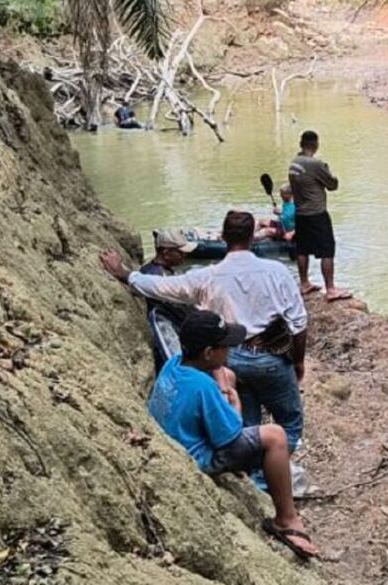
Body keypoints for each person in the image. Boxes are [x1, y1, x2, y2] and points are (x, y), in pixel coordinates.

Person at [100, 210, 308, 453]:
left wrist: (125, 273)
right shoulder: (277, 272)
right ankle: (278, 469)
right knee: (290, 425)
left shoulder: (207, 277)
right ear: (252, 238)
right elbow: (298, 322)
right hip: (269, 357)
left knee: (248, 423)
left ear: (223, 237)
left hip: (230, 357)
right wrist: (298, 361)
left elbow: (160, 286)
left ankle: (258, 478)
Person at [148, 310, 317, 559]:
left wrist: (225, 385)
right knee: (276, 436)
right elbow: (227, 436)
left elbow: (219, 373)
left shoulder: (174, 363)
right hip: (199, 457)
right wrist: (234, 404)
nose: (229, 351)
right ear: (208, 353)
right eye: (225, 347)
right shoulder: (202, 387)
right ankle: (286, 519)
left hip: (174, 436)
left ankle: (247, 467)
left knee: (227, 375)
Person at [288, 130, 351, 302]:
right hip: (316, 213)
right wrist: (329, 171)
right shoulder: (316, 164)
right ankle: (330, 289)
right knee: (327, 250)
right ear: (315, 144)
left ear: (301, 144)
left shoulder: (294, 163)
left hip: (300, 213)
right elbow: (333, 185)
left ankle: (304, 283)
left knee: (302, 249)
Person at [140, 230, 197, 372]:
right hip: (167, 331)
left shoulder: (161, 271)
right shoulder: (156, 277)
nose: (184, 256)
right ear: (166, 253)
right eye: (180, 252)